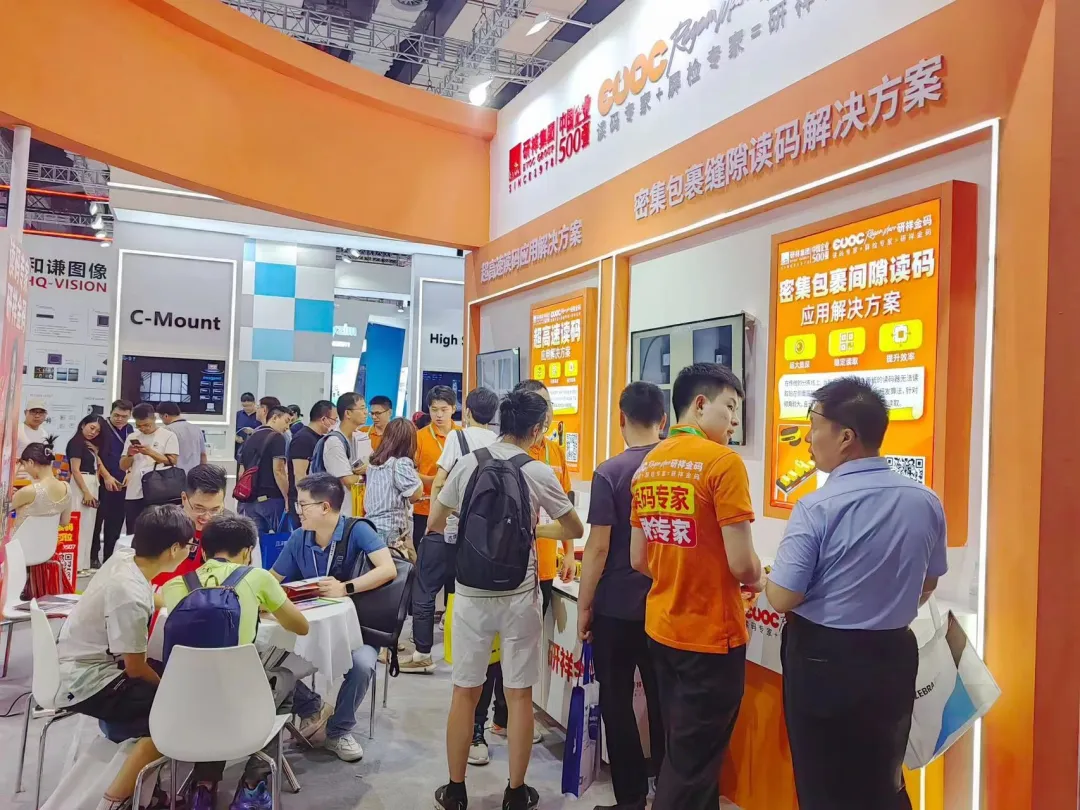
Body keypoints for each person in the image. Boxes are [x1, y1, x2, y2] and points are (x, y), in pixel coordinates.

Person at [764, 377, 947, 810]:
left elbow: (782, 597)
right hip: (893, 655)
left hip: (824, 661)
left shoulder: (817, 507)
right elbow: (929, 582)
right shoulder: (925, 499)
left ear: (846, 437)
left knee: (824, 783)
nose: (808, 439)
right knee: (883, 778)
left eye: (814, 427)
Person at [429, 389, 584, 810]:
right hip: (520, 595)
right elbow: (574, 528)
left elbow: (436, 520)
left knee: (465, 691)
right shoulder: (538, 470)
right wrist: (533, 530)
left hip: (470, 594)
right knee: (518, 695)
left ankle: (455, 790)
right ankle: (516, 792)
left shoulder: (467, 463)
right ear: (537, 430)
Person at [629, 363, 763, 810]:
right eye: (731, 407)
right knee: (691, 768)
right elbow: (743, 564)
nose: (735, 421)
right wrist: (761, 576)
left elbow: (638, 558)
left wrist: (680, 571)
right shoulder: (723, 463)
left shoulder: (649, 463)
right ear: (701, 404)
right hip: (710, 637)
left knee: (685, 755)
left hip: (662, 629)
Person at [163, 514, 310, 810]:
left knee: (212, 691)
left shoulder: (175, 584)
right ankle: (252, 786)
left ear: (203, 551)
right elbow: (300, 626)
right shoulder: (258, 578)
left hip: (185, 701)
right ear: (247, 551)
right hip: (240, 699)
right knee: (287, 678)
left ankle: (203, 786)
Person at [55, 505, 193, 810]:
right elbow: (136, 668)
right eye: (189, 546)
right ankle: (115, 801)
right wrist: (167, 690)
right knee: (178, 712)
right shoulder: (129, 595)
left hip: (77, 661)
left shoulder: (125, 560)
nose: (190, 551)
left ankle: (147, 788)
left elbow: (151, 596)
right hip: (87, 681)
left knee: (174, 679)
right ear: (174, 549)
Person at [577, 382, 667, 810]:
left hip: (615, 606)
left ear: (621, 419)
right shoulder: (678, 467)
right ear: (663, 420)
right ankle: (669, 792)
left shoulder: (610, 472)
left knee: (616, 700)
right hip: (666, 604)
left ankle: (630, 799)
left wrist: (584, 606)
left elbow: (597, 547)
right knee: (666, 701)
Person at [270, 473, 396, 761]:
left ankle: (339, 731)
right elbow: (272, 579)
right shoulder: (299, 537)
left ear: (325, 507)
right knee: (267, 662)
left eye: (303, 504)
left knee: (363, 665)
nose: (298, 511)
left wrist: (345, 588)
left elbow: (387, 569)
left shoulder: (357, 530)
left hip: (357, 627)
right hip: (308, 629)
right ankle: (309, 705)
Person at [403, 387, 499, 677]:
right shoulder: (499, 442)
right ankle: (467, 652)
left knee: (425, 588)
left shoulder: (458, 438)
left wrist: (433, 522)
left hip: (448, 526)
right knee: (466, 592)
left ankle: (423, 653)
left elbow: (440, 481)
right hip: (481, 534)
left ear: (465, 411)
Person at [514, 380, 576, 614]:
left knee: (537, 630)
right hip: (514, 564)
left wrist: (568, 552)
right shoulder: (512, 451)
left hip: (546, 564)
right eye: (541, 405)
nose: (547, 413)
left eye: (549, 404)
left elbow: (564, 507)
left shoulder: (556, 452)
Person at [151, 464, 229, 588]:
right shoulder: (162, 528)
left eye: (215, 509)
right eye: (199, 508)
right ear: (184, 498)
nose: (206, 517)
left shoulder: (227, 533)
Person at [363, 417, 423, 548]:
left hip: (371, 527)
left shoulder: (373, 464)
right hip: (391, 530)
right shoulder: (400, 463)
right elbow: (416, 493)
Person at [119, 403, 180, 531]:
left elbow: (172, 461)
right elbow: (123, 466)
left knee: (157, 530)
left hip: (158, 491)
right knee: (133, 530)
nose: (143, 428)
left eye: (146, 425)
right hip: (134, 491)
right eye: (139, 426)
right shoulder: (132, 437)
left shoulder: (168, 435)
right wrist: (130, 454)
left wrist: (150, 452)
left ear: (154, 418)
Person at [414, 385, 459, 550]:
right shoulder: (419, 437)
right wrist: (432, 481)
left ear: (453, 409)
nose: (439, 415)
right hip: (425, 510)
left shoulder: (462, 435)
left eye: (444, 410)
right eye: (434, 410)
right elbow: (409, 472)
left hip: (456, 510)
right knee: (425, 555)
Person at [237, 404, 291, 532]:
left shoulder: (250, 436)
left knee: (255, 541)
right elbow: (278, 470)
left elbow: (241, 472)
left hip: (249, 500)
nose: (287, 427)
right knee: (280, 539)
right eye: (286, 421)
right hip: (272, 500)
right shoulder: (277, 438)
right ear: (275, 418)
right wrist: (287, 497)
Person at [287, 399, 337, 523]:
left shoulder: (321, 438)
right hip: (307, 503)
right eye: (334, 420)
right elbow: (299, 474)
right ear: (324, 419)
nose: (335, 423)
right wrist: (307, 502)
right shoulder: (303, 438)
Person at [319, 392, 367, 517]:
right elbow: (348, 481)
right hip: (340, 512)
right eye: (362, 408)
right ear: (348, 413)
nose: (366, 412)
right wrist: (366, 475)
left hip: (355, 510)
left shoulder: (358, 437)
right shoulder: (334, 442)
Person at [97, 400, 133, 561]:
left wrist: (129, 472)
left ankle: (109, 557)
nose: (120, 419)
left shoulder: (130, 430)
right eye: (116, 415)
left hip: (121, 482)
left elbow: (133, 455)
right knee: (97, 521)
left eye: (124, 416)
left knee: (116, 521)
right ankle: (93, 556)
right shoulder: (101, 427)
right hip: (102, 480)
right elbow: (94, 454)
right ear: (110, 413)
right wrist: (106, 476)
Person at [12, 440, 72, 533]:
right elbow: (65, 522)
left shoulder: (29, 491)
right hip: (49, 541)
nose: (25, 469)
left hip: (23, 541)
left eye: (24, 465)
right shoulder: (67, 488)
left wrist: (13, 472)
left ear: (30, 462)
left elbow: (3, 510)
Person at [66, 415, 103, 565]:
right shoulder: (76, 442)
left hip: (92, 482)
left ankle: (84, 563)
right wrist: (86, 492)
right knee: (79, 523)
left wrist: (96, 453)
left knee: (89, 524)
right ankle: (76, 564)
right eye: (92, 428)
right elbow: (75, 470)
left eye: (97, 431)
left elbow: (97, 466)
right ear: (83, 425)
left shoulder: (89, 445)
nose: (93, 432)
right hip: (81, 482)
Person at [157, 401, 208, 473]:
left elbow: (164, 457)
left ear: (166, 416)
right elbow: (203, 455)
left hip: (175, 475)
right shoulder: (197, 429)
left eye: (161, 418)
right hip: (195, 475)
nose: (163, 422)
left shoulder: (167, 430)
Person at [234, 392, 259, 459]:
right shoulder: (238, 415)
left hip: (255, 448)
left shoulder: (259, 415)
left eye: (249, 405)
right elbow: (230, 429)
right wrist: (235, 437)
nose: (247, 408)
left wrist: (253, 431)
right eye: (244, 406)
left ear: (254, 403)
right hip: (239, 448)